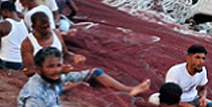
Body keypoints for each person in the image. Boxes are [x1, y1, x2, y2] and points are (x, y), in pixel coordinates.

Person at [20, 11, 150, 96]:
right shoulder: (28, 44)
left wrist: (74, 57)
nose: (47, 30)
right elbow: (29, 71)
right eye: (42, 28)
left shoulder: (56, 34)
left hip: (62, 74)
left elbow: (65, 54)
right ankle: (71, 86)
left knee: (96, 72)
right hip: (43, 82)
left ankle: (128, 89)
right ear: (33, 27)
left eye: (48, 26)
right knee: (78, 89)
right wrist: (57, 70)